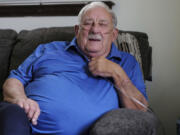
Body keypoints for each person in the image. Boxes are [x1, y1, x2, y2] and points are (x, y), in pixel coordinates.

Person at [0, 2, 155, 135]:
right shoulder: (48, 50)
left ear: (114, 34)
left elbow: (141, 111)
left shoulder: (126, 62)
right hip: (24, 124)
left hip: (93, 130)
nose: (95, 30)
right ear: (77, 30)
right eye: (88, 23)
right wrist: (21, 99)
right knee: (12, 113)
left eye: (102, 24)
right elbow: (14, 80)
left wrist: (117, 73)